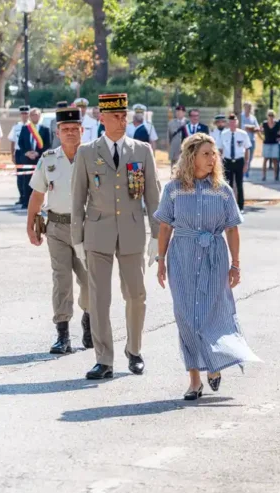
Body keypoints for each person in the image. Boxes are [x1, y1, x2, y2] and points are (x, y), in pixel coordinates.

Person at [153, 133, 259, 400]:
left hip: (214, 258)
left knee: (212, 314)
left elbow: (232, 229)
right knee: (186, 319)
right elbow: (164, 227)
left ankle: (214, 364)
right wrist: (160, 261)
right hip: (182, 259)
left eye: (214, 154)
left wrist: (236, 265)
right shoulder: (173, 189)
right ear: (192, 157)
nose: (213, 159)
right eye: (206, 154)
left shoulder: (223, 190)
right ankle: (194, 380)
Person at [71, 93, 161, 380]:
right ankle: (104, 359)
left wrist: (157, 236)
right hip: (98, 233)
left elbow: (153, 196)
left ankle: (134, 350)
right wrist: (76, 238)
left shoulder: (141, 151)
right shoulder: (87, 152)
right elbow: (77, 199)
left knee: (136, 294)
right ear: (102, 118)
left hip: (132, 232)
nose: (123, 121)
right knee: (99, 299)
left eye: (124, 116)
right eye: (117, 116)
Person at [26, 106, 92, 355]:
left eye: (75, 128)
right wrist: (30, 225)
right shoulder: (49, 159)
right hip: (57, 227)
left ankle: (89, 322)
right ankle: (62, 334)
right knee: (61, 280)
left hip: (87, 228)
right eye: (65, 129)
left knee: (90, 280)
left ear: (82, 130)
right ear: (57, 132)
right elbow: (37, 193)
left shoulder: (93, 158)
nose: (70, 132)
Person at [17, 108, 51, 210]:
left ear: (40, 116)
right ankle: (26, 202)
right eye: (32, 115)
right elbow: (20, 142)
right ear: (30, 117)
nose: (34, 117)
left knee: (40, 181)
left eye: (36, 115)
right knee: (26, 180)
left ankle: (39, 203)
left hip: (39, 158)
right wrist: (27, 152)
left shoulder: (45, 129)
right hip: (27, 158)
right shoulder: (25, 128)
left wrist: (38, 153)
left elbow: (48, 144)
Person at [220, 114, 251, 212]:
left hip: (239, 161)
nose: (232, 124)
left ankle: (240, 206)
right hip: (227, 161)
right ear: (228, 123)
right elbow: (220, 149)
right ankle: (228, 206)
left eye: (234, 122)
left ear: (237, 122)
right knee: (227, 185)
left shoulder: (243, 134)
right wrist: (219, 162)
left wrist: (246, 163)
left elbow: (247, 149)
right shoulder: (224, 134)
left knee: (239, 184)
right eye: (231, 122)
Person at [8, 105, 30, 205]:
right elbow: (12, 141)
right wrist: (12, 154)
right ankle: (21, 196)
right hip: (19, 152)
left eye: (26, 113)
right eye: (23, 114)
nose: (24, 115)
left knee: (28, 176)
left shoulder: (31, 126)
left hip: (28, 153)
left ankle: (28, 197)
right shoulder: (16, 126)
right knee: (20, 176)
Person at [259, 109, 280, 181]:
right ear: (267, 116)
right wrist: (261, 137)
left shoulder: (277, 124)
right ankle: (264, 176)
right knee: (265, 159)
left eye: (272, 115)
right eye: (269, 115)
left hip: (274, 143)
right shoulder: (264, 123)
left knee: (275, 160)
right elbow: (259, 130)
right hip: (267, 143)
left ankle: (276, 176)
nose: (271, 117)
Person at [241, 101, 260, 177]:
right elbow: (243, 127)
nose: (248, 109)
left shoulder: (253, 118)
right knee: (242, 156)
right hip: (242, 141)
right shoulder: (241, 116)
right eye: (247, 107)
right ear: (244, 107)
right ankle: (242, 171)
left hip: (251, 140)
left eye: (249, 107)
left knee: (250, 156)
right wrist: (252, 127)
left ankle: (247, 171)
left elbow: (257, 128)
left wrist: (250, 128)